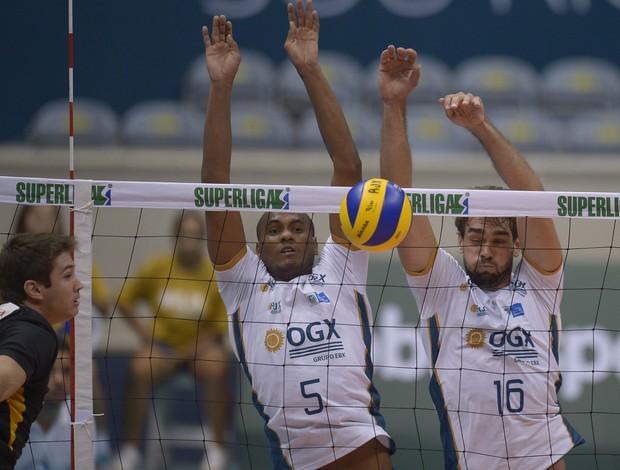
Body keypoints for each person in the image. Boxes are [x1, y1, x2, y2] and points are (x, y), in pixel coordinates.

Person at [201, 2, 395, 469]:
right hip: (295, 458)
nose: (286, 235)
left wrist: (309, 69)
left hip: (360, 446)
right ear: (258, 243)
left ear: (314, 238)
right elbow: (214, 186)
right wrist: (221, 87)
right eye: (273, 229)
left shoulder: (341, 263)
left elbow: (348, 167)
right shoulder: (242, 281)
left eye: (297, 227)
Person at [378, 45, 585, 469]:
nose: (486, 249)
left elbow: (533, 201)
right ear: (459, 240)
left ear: (517, 243)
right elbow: (396, 199)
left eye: (499, 238)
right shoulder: (441, 288)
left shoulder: (541, 283)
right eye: (475, 236)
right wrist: (394, 104)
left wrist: (481, 126)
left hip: (543, 460)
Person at [114, 210, 232, 470]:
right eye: (184, 234)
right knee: (138, 368)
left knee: (218, 367)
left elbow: (217, 330)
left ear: (202, 238)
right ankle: (130, 450)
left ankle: (218, 450)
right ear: (175, 237)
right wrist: (146, 335)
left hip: (199, 349)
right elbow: (124, 301)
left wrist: (181, 354)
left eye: (194, 235)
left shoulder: (213, 273)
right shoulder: (158, 266)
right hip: (162, 347)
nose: (189, 240)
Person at [0, 232, 83, 468]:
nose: (79, 284)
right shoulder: (36, 333)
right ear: (34, 290)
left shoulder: (7, 316)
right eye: (67, 276)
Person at [14, 335, 110, 470]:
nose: (59, 380)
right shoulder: (13, 416)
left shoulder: (81, 421)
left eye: (66, 371)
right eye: (50, 371)